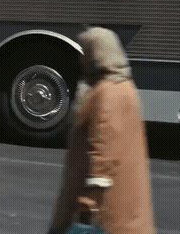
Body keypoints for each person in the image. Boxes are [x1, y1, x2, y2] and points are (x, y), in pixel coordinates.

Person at [48, 27, 155, 234]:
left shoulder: (106, 93)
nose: (82, 60)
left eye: (86, 53)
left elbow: (103, 150)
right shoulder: (126, 88)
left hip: (108, 213)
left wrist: (88, 204)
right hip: (129, 205)